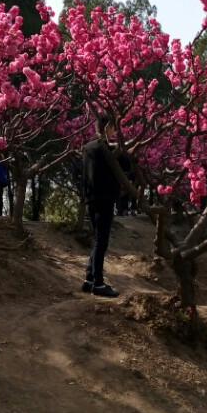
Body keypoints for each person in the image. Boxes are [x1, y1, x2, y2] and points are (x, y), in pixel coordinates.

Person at [80, 114, 128, 298]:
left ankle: (89, 279)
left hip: (91, 199)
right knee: (102, 241)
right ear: (107, 127)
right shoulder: (105, 148)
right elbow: (125, 164)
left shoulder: (87, 147)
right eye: (113, 128)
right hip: (105, 198)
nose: (114, 132)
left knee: (97, 239)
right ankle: (98, 284)